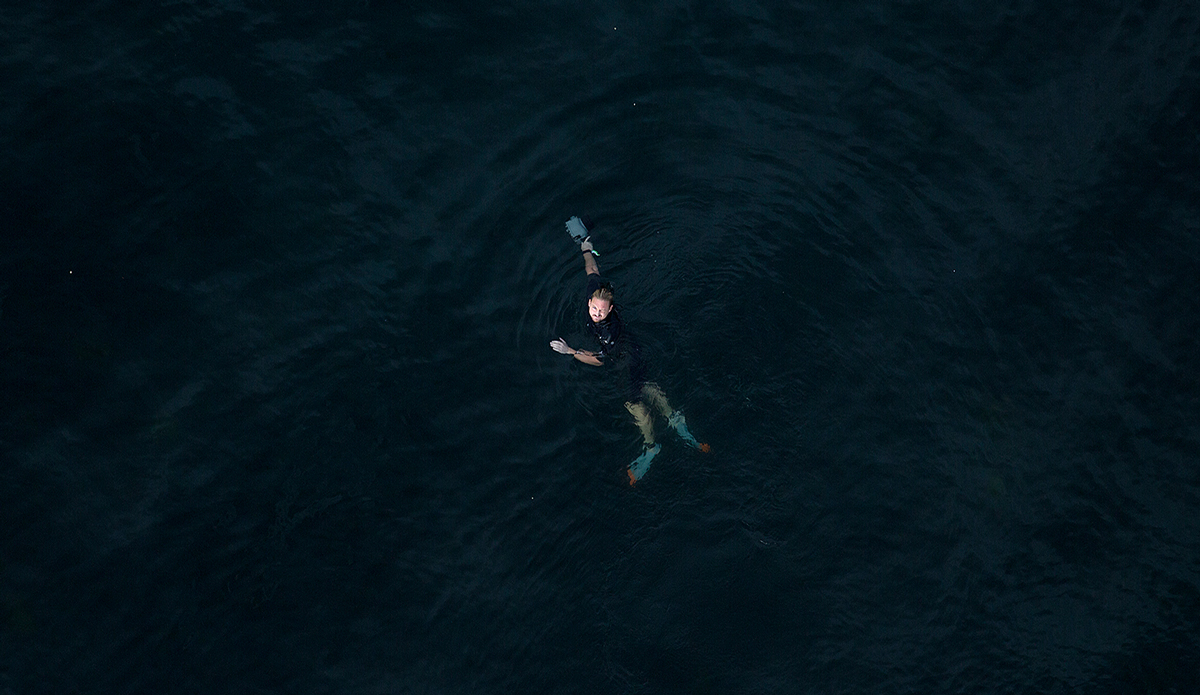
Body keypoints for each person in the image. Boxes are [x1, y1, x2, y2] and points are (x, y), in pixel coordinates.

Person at [550, 221, 707, 484]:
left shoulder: (608, 331)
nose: (596, 314)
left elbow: (600, 360)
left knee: (636, 405)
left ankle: (651, 447)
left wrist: (571, 351)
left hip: (623, 360)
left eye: (602, 311)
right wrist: (585, 245)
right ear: (590, 300)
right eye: (594, 309)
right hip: (635, 349)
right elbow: (592, 269)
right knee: (650, 389)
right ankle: (681, 429)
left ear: (611, 311)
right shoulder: (595, 292)